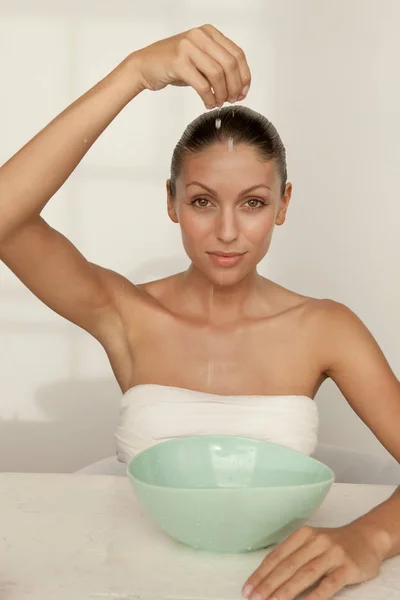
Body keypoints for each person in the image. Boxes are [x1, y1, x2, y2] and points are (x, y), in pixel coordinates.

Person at [0, 23, 399, 600]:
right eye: (203, 201)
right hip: (125, 577)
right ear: (171, 202)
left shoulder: (325, 328)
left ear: (284, 205)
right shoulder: (126, 312)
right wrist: (133, 73)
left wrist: (370, 537)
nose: (228, 232)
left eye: (254, 203)